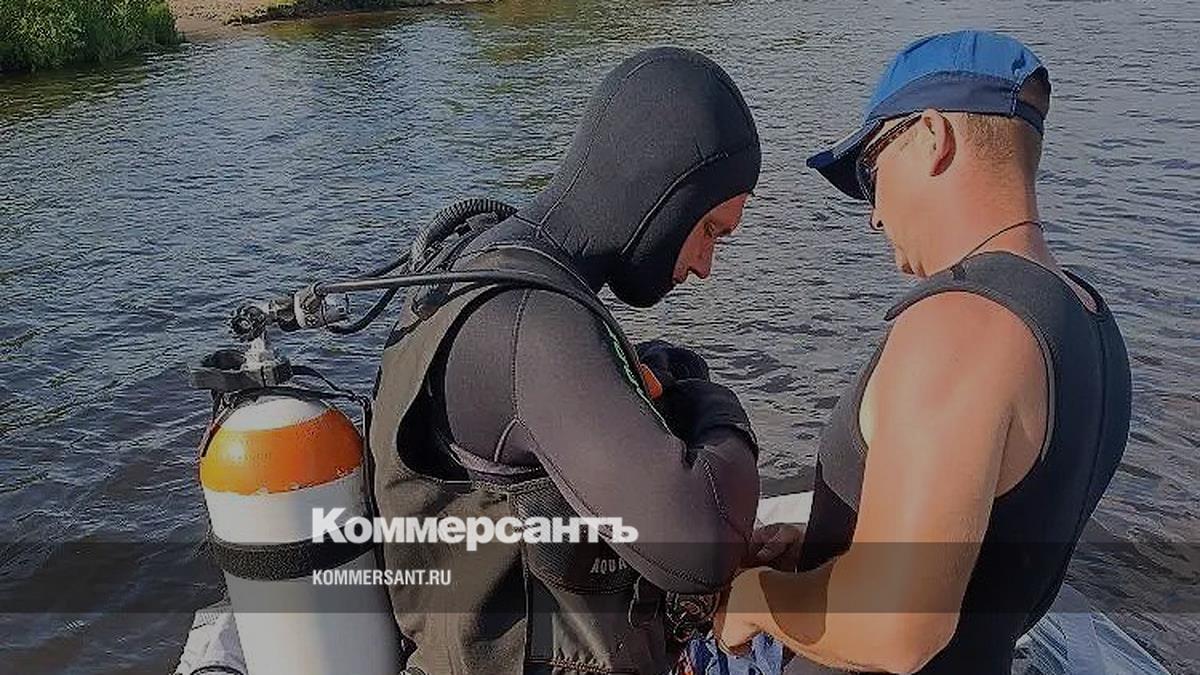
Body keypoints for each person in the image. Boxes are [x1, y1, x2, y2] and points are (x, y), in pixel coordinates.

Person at [714, 31, 1132, 674]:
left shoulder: (961, 325)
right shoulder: (1087, 319)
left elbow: (897, 629)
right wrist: (822, 549)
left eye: (869, 171)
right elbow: (992, 552)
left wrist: (755, 599)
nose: (874, 215)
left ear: (933, 137)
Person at [368, 47, 763, 674]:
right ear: (665, 193)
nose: (704, 266)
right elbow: (701, 549)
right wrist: (715, 406)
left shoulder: (488, 266)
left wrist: (657, 374)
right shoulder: (531, 320)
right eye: (710, 230)